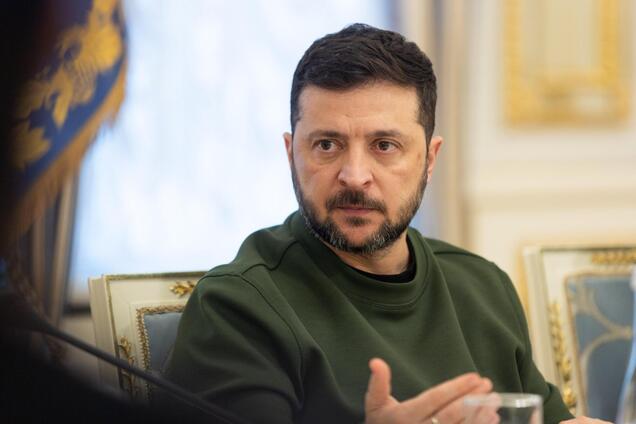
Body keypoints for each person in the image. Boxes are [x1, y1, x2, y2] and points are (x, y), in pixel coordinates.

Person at [165, 23, 587, 424]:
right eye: (326, 145)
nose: (354, 176)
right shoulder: (237, 309)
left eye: (384, 145)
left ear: (430, 159)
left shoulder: (483, 285)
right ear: (291, 154)